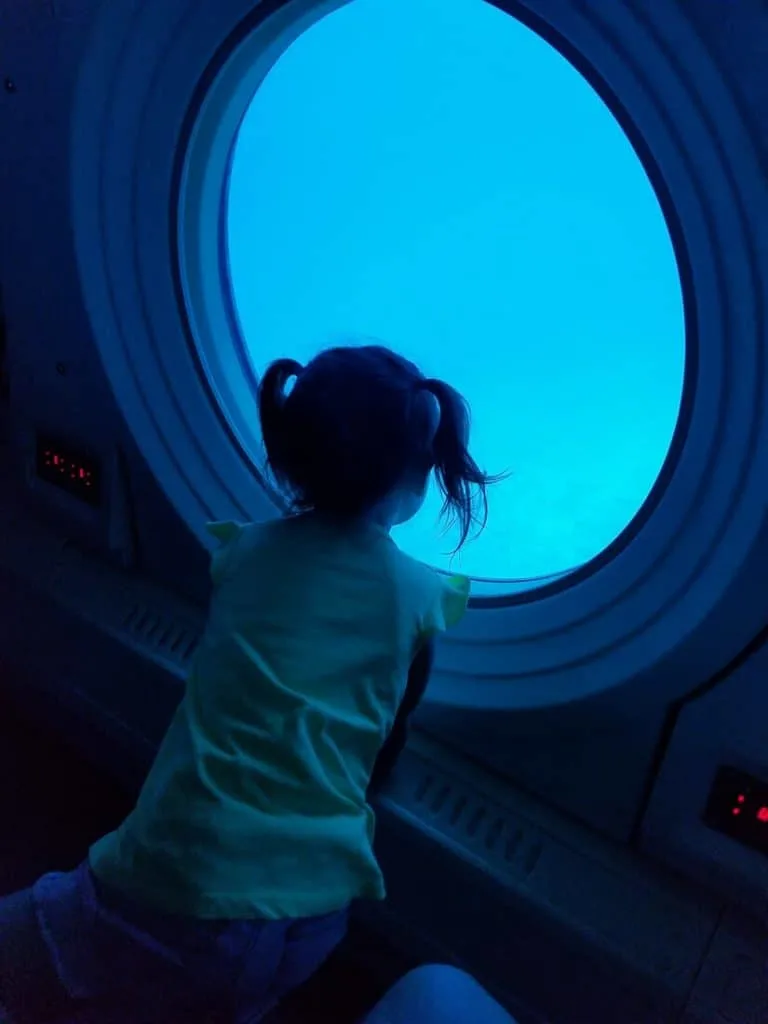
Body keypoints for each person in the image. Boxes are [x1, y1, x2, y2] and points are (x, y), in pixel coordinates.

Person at [0, 344, 500, 1023]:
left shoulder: (244, 553)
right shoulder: (418, 597)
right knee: (225, 994)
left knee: (34, 945)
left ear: (290, 455)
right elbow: (390, 728)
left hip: (175, 877)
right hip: (317, 906)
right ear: (415, 479)